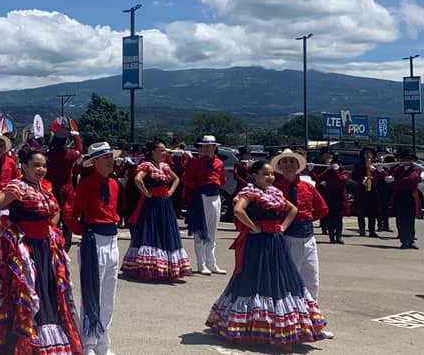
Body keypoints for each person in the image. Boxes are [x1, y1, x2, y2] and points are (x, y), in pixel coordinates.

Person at [206, 160, 328, 349]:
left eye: (271, 174)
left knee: (279, 280)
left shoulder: (275, 192)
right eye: (265, 173)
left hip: (275, 241)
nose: (270, 177)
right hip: (257, 243)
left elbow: (292, 209)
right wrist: (253, 226)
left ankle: (277, 326)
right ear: (254, 175)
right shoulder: (249, 191)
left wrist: (283, 227)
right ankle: (252, 327)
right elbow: (238, 210)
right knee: (255, 280)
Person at [0, 148, 81, 355]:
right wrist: (7, 234)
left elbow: (55, 211)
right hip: (26, 254)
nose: (41, 169)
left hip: (45, 251)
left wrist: (49, 229)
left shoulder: (44, 188)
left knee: (47, 295)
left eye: (44, 165)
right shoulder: (17, 187)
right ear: (24, 166)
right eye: (36, 165)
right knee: (24, 298)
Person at [64, 143, 121, 355]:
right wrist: (84, 232)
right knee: (91, 293)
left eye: (110, 156)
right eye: (105, 157)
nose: (110, 160)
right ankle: (88, 343)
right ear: (94, 162)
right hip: (94, 239)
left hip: (112, 238)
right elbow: (70, 212)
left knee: (108, 294)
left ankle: (103, 342)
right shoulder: (86, 185)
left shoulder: (114, 184)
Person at [122, 138, 191, 282]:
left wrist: (171, 191)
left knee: (165, 231)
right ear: (152, 152)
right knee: (151, 232)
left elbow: (176, 179)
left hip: (164, 203)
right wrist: (146, 192)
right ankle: (150, 267)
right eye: (161, 151)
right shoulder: (147, 165)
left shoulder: (164, 166)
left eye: (164, 150)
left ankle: (164, 266)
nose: (164, 153)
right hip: (152, 204)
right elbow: (137, 179)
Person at [271, 149, 328, 302]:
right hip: (288, 235)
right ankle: (290, 310)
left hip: (308, 236)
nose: (289, 165)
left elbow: (322, 208)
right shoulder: (275, 189)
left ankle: (311, 311)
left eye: (292, 161)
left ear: (298, 165)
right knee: (289, 276)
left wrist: (307, 219)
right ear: (280, 167)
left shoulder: (307, 187)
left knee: (312, 277)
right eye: (285, 162)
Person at [182, 135, 226, 275]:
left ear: (214, 147)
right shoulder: (196, 162)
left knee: (212, 232)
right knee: (201, 232)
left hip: (215, 197)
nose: (208, 149)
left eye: (210, 146)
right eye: (205, 146)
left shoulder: (219, 163)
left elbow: (223, 180)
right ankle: (201, 264)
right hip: (202, 197)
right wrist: (198, 189)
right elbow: (187, 178)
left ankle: (211, 262)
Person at [389, 149, 422, 249]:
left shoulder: (416, 169)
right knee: (400, 219)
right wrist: (381, 171)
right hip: (400, 196)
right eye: (405, 159)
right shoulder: (397, 170)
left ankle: (411, 240)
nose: (407, 161)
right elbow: (392, 181)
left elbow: (411, 180)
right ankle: (403, 240)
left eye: (409, 159)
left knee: (410, 220)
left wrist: (396, 180)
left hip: (410, 196)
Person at [314, 152, 349, 244]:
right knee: (330, 217)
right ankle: (331, 237)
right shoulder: (328, 172)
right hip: (329, 194)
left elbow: (342, 180)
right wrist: (311, 171)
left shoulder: (344, 172)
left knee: (339, 217)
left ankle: (339, 236)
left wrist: (336, 171)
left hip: (339, 196)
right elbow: (317, 178)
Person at [351, 148, 381, 237]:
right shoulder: (359, 165)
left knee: (372, 211)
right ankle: (362, 230)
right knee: (361, 211)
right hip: (362, 189)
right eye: (366, 153)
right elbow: (354, 176)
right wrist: (361, 181)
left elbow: (381, 176)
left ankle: (372, 231)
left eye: (370, 153)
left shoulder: (376, 164)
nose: (368, 155)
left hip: (373, 189)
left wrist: (375, 172)